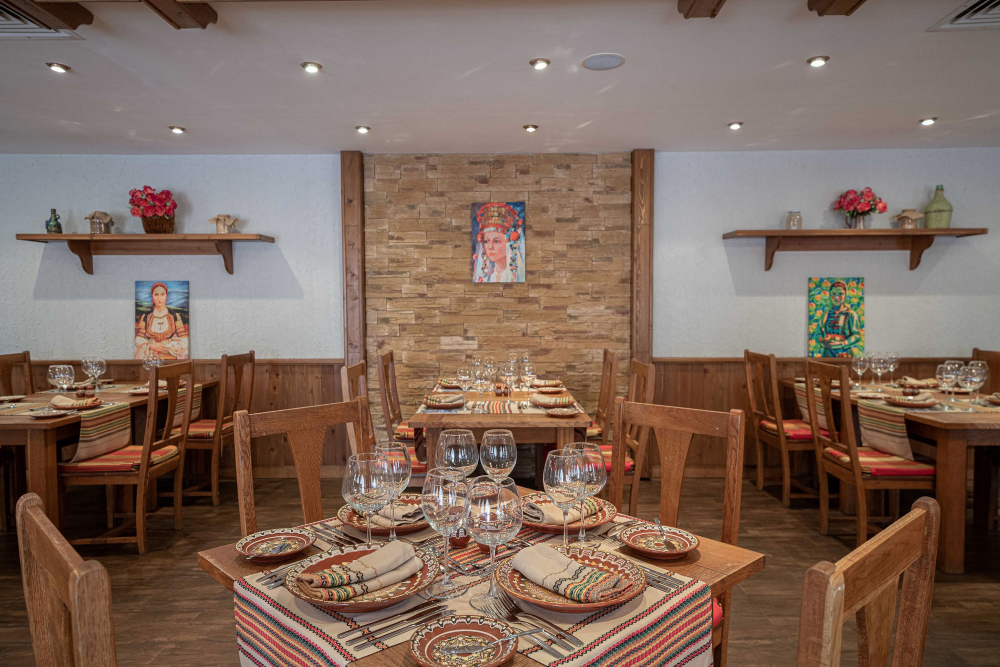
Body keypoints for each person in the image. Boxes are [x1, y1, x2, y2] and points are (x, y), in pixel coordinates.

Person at [134, 282, 189, 360]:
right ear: (152, 296)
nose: (159, 298)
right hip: (150, 358)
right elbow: (138, 339)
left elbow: (184, 340)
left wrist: (166, 347)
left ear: (166, 296)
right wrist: (151, 346)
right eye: (156, 295)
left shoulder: (175, 317)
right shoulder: (145, 317)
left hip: (170, 359)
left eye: (162, 294)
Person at [473, 202, 525, 283]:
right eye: (486, 241)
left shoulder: (518, 276)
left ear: (509, 243)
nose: (490, 247)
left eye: (496, 241)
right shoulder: (486, 277)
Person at [818, 280, 862, 358]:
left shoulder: (851, 314)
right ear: (830, 295)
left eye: (840, 294)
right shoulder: (825, 314)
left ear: (845, 295)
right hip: (827, 354)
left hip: (844, 354)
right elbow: (818, 333)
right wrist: (822, 341)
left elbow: (857, 336)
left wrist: (842, 343)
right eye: (833, 294)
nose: (837, 297)